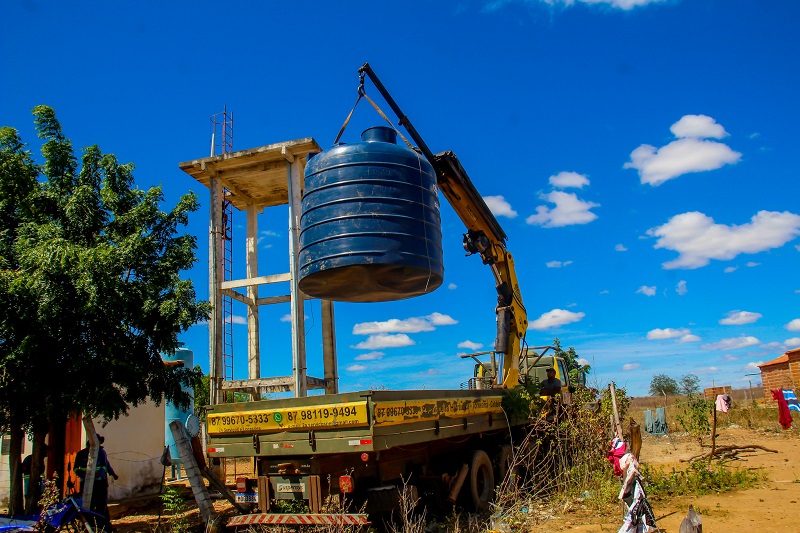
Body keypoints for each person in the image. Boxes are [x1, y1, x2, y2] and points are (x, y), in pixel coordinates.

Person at [74, 435, 118, 522]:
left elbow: (105, 466)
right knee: (87, 504)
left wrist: (105, 473)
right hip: (85, 482)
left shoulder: (101, 453)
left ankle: (103, 524)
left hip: (99, 482)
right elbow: (75, 468)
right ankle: (88, 523)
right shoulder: (80, 454)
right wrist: (83, 474)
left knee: (101, 504)